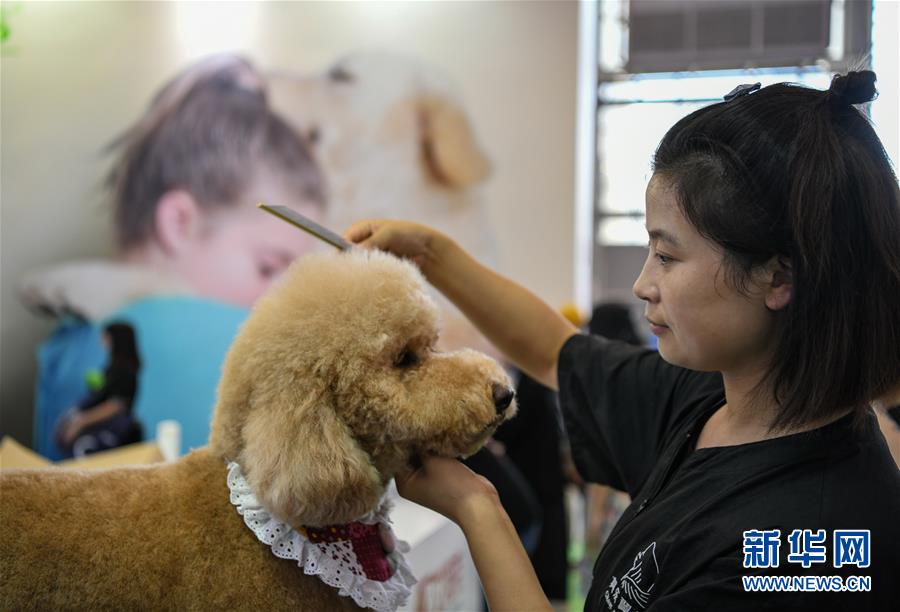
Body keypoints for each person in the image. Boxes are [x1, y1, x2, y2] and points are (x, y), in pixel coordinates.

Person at [343, 71, 900, 610]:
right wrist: (430, 253)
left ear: (778, 278)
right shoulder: (712, 400)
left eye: (667, 255)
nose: (642, 284)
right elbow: (556, 352)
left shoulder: (808, 551)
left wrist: (477, 507)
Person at [24, 55, 326, 458]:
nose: (280, 298)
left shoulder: (67, 349)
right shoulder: (248, 350)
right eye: (267, 267)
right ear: (179, 222)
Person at [54, 322, 142, 458]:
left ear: (117, 339)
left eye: (106, 337)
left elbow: (114, 406)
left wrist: (81, 422)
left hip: (112, 435)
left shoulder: (124, 370)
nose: (101, 342)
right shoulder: (113, 367)